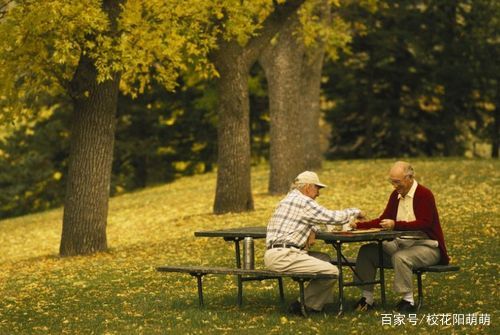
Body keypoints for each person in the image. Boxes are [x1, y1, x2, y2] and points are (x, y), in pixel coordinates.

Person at [351, 161, 449, 313]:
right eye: (392, 181)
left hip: (427, 246)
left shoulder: (424, 194)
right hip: (400, 244)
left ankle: (408, 301)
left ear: (409, 178)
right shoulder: (395, 195)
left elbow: (424, 223)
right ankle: (367, 298)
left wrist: (395, 225)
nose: (394, 186)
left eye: (397, 182)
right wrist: (358, 225)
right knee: (367, 251)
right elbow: (383, 220)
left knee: (401, 257)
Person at [264, 171, 364, 315]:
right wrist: (355, 211)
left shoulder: (287, 200)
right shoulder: (304, 202)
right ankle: (301, 305)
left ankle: (319, 305)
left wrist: (312, 229)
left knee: (324, 259)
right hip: (285, 255)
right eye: (317, 188)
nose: (318, 193)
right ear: (308, 187)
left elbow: (303, 220)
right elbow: (332, 217)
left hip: (275, 253)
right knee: (332, 272)